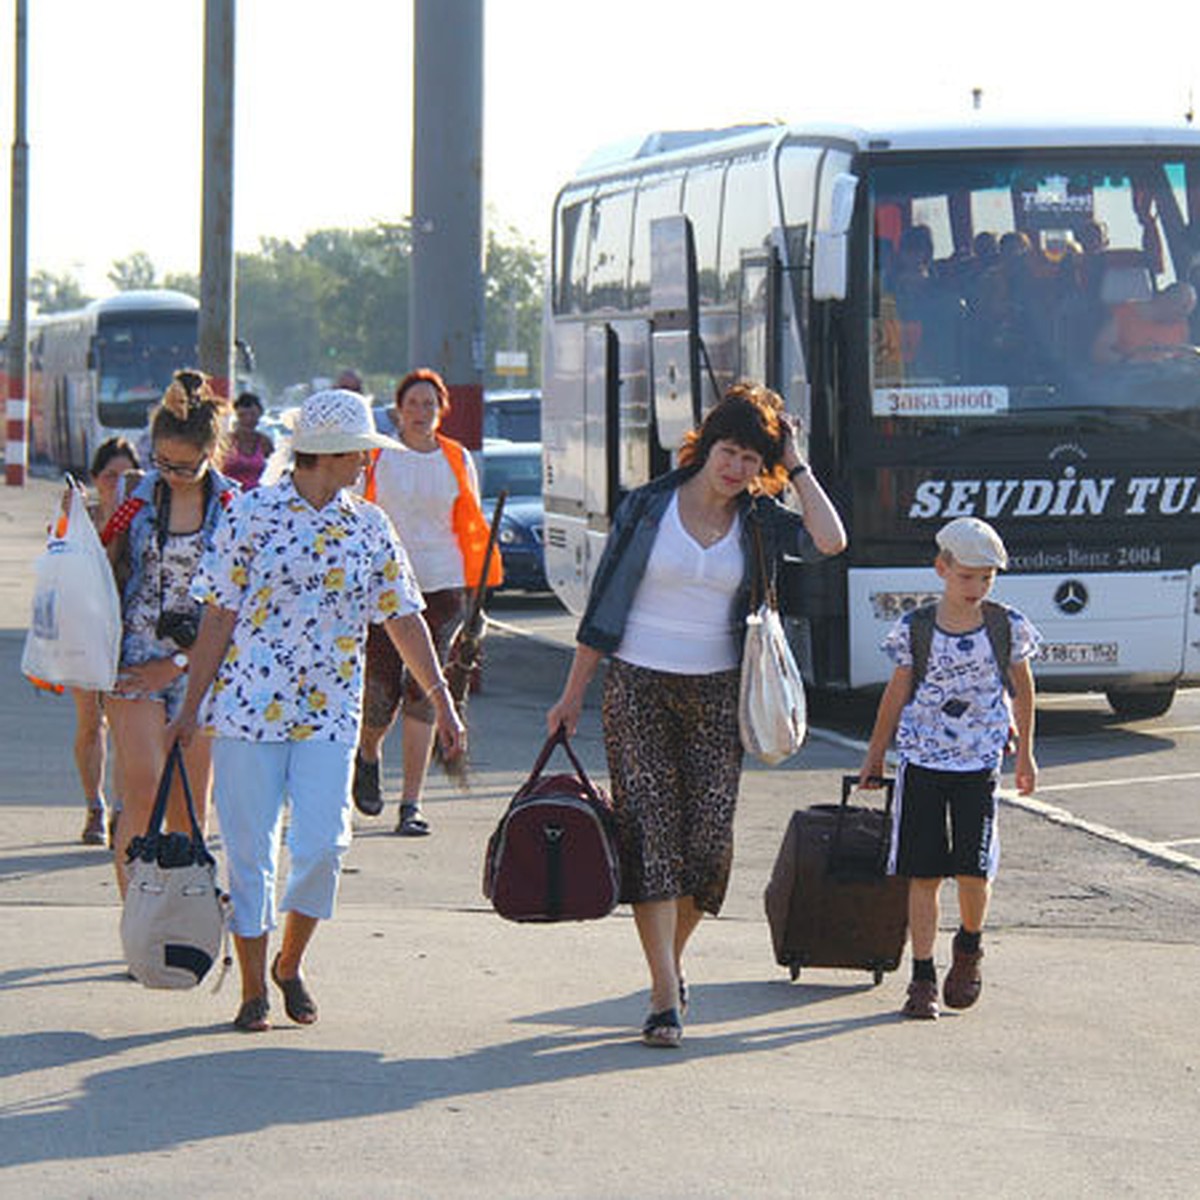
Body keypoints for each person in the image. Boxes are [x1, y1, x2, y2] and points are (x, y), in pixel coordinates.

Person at [546, 381, 846, 1047]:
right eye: (728, 451)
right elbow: (603, 606)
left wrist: (794, 463)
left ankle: (670, 963)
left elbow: (831, 540)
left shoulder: (761, 518)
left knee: (707, 851)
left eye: (749, 458)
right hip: (638, 688)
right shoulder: (650, 506)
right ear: (705, 446)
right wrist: (572, 696)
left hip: (718, 693)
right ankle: (662, 995)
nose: (736, 467)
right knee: (651, 841)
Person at [168, 388, 466, 1032]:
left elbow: (403, 616)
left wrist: (441, 699)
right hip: (248, 711)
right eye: (360, 450)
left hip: (331, 715)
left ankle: (289, 961)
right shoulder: (250, 515)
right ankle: (252, 990)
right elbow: (217, 615)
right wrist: (191, 706)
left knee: (324, 846)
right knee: (249, 853)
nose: (366, 460)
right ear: (329, 452)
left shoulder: (368, 524)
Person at [857, 516, 1041, 1021]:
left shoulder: (1006, 625)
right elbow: (897, 692)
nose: (977, 587)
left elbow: (1023, 690)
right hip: (922, 759)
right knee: (923, 872)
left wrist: (1025, 752)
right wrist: (876, 752)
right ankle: (921, 977)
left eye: (987, 578)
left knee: (973, 870)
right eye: (967, 576)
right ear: (941, 568)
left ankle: (968, 947)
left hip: (980, 762)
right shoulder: (915, 628)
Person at [100, 370, 237, 895]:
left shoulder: (233, 507)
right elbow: (107, 567)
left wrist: (179, 664)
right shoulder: (135, 497)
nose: (172, 475)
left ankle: (176, 918)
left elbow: (237, 606)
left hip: (202, 664)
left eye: (185, 465)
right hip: (133, 660)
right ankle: (135, 916)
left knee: (188, 809)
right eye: (161, 462)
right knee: (142, 789)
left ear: (211, 453)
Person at [354, 368, 501, 836]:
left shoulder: (456, 458)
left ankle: (410, 805)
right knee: (379, 698)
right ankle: (368, 752)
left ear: (441, 411)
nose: (421, 412)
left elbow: (471, 524)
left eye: (429, 404)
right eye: (413, 403)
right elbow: (354, 514)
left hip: (442, 588)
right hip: (384, 586)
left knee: (426, 694)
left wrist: (477, 593)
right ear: (398, 410)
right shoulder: (377, 456)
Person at [73, 437, 140, 845]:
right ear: (95, 479)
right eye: (109, 476)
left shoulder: (145, 517)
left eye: (125, 476)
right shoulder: (80, 516)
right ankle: (93, 806)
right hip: (85, 628)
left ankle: (120, 808)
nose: (116, 484)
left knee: (124, 724)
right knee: (89, 724)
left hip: (131, 629)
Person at [1092, 281, 1198, 364]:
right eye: (1181, 311)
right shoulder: (1123, 315)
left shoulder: (1180, 325)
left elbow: (1183, 356)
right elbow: (1098, 352)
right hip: (1128, 382)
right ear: (1165, 300)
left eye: (1186, 313)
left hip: (1167, 382)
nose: (1182, 318)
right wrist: (1129, 362)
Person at [222, 391, 274, 490]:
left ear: (260, 415)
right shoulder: (226, 441)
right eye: (242, 415)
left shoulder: (265, 442)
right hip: (228, 496)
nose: (248, 419)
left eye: (253, 414)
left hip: (254, 497)